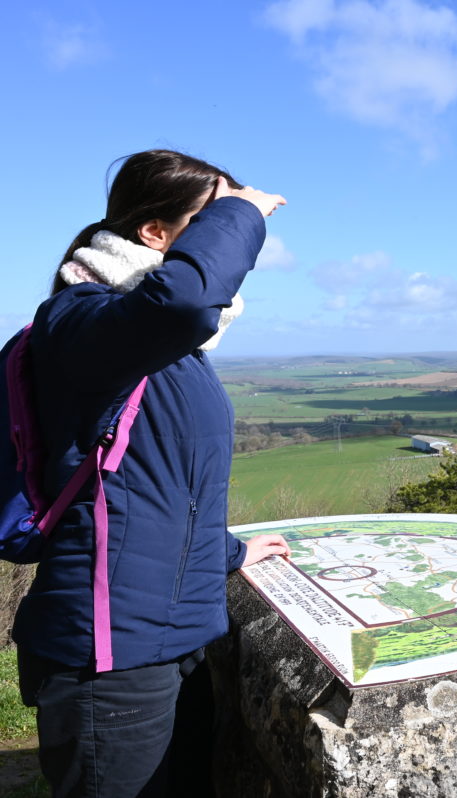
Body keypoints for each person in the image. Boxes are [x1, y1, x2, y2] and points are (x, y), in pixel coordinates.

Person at [12, 149, 292, 797]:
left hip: (173, 634)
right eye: (211, 217)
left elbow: (162, 488)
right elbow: (187, 301)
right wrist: (245, 210)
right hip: (109, 654)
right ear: (155, 235)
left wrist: (233, 551)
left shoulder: (161, 351)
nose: (227, 227)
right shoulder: (80, 320)